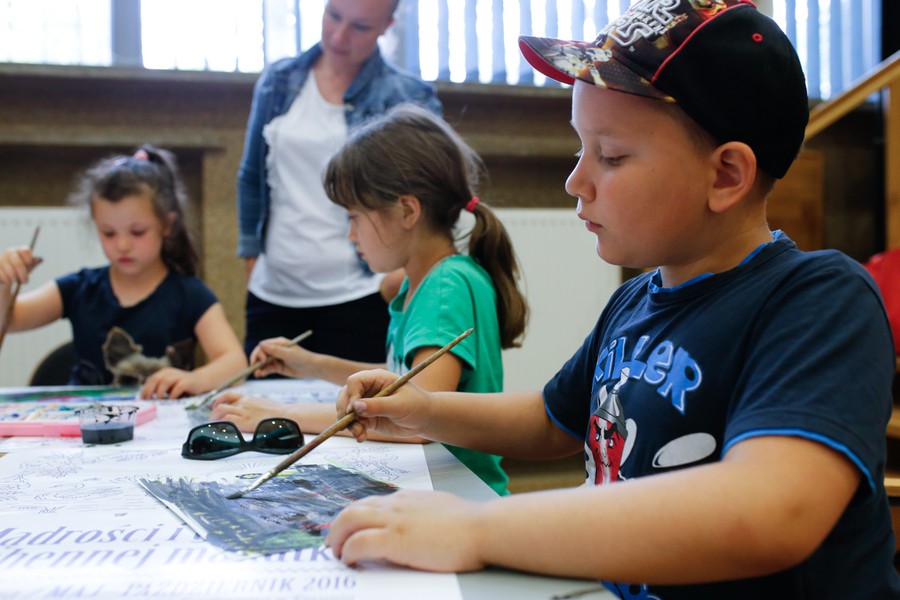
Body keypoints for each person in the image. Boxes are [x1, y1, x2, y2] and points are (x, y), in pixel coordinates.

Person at [323, 1, 900, 597]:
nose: (575, 181)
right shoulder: (634, 302)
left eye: (612, 156)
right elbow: (552, 419)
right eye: (581, 149)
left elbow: (770, 511)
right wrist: (423, 409)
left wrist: (474, 528)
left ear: (727, 175)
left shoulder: (818, 300)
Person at [213, 103, 528, 496]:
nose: (350, 235)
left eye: (354, 217)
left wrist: (282, 414)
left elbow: (415, 420)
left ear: (407, 211)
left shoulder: (445, 288)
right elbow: (402, 378)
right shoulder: (428, 282)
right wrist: (310, 363)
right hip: (436, 491)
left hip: (458, 498)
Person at [238, 0, 442, 365]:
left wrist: (398, 276)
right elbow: (252, 176)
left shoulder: (408, 96)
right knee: (260, 401)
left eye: (360, 27)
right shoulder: (278, 80)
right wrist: (252, 257)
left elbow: (432, 196)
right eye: (333, 16)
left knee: (358, 400)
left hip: (359, 293)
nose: (338, 36)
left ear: (387, 25)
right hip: (274, 293)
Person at [0, 145, 247, 399]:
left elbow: (235, 362)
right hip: (88, 421)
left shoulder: (190, 294)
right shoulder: (79, 288)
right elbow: (9, 321)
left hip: (160, 420)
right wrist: (3, 281)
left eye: (137, 232)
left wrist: (196, 379)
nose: (123, 245)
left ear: (167, 225)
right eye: (108, 233)